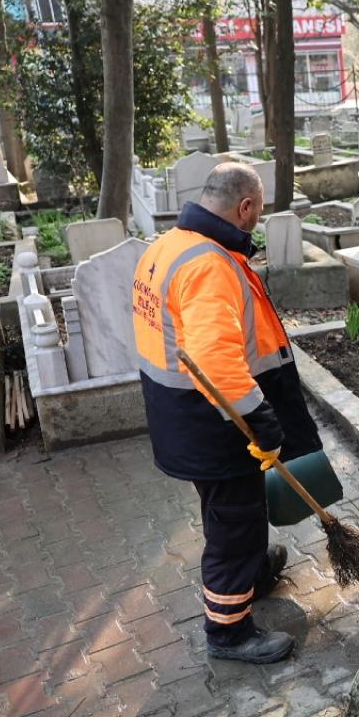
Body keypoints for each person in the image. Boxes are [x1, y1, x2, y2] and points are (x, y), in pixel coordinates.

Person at [132, 163, 323, 665]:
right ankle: (229, 630)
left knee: (230, 510)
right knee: (235, 524)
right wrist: (259, 415)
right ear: (245, 207)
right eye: (258, 212)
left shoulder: (166, 247)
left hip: (181, 416)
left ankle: (251, 574)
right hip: (214, 422)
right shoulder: (209, 265)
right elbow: (214, 360)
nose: (257, 220)